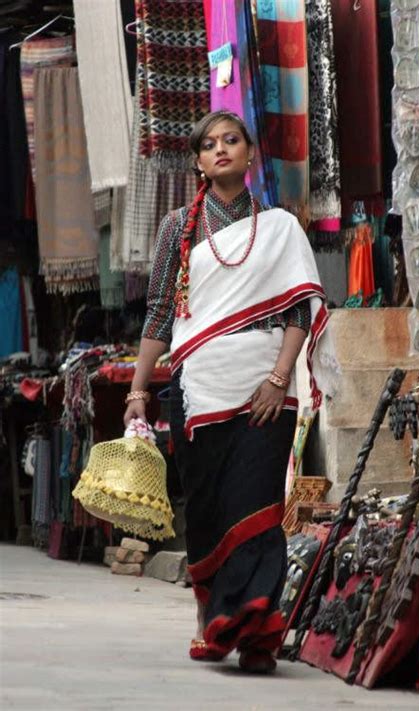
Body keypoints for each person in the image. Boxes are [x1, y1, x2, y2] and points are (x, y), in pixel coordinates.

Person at [124, 110, 338, 673]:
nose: (221, 149)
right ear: (197, 161)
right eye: (210, 144)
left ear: (248, 154)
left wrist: (277, 378)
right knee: (207, 508)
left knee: (260, 509)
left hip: (264, 389)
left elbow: (298, 311)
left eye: (232, 140)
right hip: (197, 391)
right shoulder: (179, 227)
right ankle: (210, 619)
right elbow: (160, 314)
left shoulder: (279, 227)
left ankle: (259, 635)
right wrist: (138, 390)